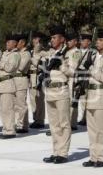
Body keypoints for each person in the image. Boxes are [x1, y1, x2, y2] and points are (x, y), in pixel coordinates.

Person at [82, 29, 103, 167]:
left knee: (101, 129)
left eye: (101, 40)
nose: (97, 42)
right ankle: (93, 156)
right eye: (97, 40)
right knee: (91, 129)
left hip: (101, 95)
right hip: (90, 95)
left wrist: (91, 70)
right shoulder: (95, 56)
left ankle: (102, 157)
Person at [43, 26, 71, 164]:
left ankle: (63, 153)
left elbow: (73, 72)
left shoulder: (69, 53)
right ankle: (55, 151)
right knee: (53, 125)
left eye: (54, 37)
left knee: (63, 123)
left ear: (62, 39)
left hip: (61, 90)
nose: (52, 40)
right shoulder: (51, 53)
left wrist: (61, 65)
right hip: (50, 91)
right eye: (51, 37)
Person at [0, 35, 21, 139]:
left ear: (15, 43)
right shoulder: (6, 54)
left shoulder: (15, 55)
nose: (7, 43)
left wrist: (0, 62)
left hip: (7, 84)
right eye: (6, 42)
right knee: (2, 110)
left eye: (9, 42)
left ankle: (10, 131)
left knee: (8, 109)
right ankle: (6, 129)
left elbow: (10, 68)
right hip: (1, 84)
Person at [29, 32, 47, 129]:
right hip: (31, 78)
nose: (34, 41)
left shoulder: (43, 53)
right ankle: (35, 119)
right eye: (34, 39)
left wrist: (34, 61)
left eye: (36, 39)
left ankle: (40, 121)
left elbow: (44, 67)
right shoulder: (31, 52)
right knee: (33, 100)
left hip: (38, 77)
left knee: (39, 100)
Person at [14, 34, 31, 133]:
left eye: (18, 42)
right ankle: (21, 124)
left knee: (21, 104)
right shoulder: (16, 53)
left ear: (23, 43)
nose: (17, 44)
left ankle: (22, 125)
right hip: (15, 80)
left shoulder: (26, 54)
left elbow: (21, 67)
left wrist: (11, 65)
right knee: (16, 105)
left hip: (21, 79)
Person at [65, 33, 82, 131]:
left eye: (70, 41)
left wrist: (63, 67)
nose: (68, 42)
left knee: (72, 102)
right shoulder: (68, 52)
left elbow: (73, 67)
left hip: (72, 79)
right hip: (67, 78)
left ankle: (72, 123)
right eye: (68, 41)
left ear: (75, 42)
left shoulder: (76, 52)